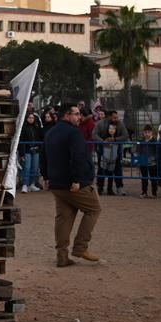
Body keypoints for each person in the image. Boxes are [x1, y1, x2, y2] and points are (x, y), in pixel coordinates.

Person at [43, 104, 101, 268]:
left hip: (56, 183)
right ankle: (81, 247)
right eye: (76, 114)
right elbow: (78, 157)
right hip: (73, 183)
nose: (79, 117)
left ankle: (62, 256)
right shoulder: (74, 133)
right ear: (67, 115)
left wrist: (46, 177)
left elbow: (43, 156)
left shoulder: (50, 132)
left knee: (64, 217)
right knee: (93, 209)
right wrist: (77, 180)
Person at [95, 110, 128, 196]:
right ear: (108, 117)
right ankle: (100, 188)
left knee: (117, 169)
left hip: (116, 151)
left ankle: (116, 188)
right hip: (102, 151)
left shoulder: (120, 124)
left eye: (117, 117)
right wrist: (103, 141)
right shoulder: (100, 123)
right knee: (101, 169)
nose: (116, 119)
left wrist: (115, 139)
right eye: (114, 117)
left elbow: (125, 135)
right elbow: (94, 134)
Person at [19, 112, 43, 193]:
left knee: (35, 168)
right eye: (29, 117)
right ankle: (25, 184)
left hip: (36, 150)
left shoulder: (37, 128)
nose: (31, 119)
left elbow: (40, 138)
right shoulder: (23, 128)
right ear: (26, 118)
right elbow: (21, 140)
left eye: (32, 118)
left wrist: (39, 148)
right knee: (27, 167)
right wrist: (22, 154)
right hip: (27, 150)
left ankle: (32, 184)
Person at [134, 125, 159, 198]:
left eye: (148, 132)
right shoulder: (141, 141)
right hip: (143, 162)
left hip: (153, 163)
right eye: (145, 132)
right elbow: (137, 151)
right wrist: (137, 159)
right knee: (144, 178)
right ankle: (144, 192)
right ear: (143, 133)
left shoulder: (155, 141)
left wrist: (153, 159)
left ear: (152, 133)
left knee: (153, 178)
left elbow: (157, 152)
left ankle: (154, 193)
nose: (147, 134)